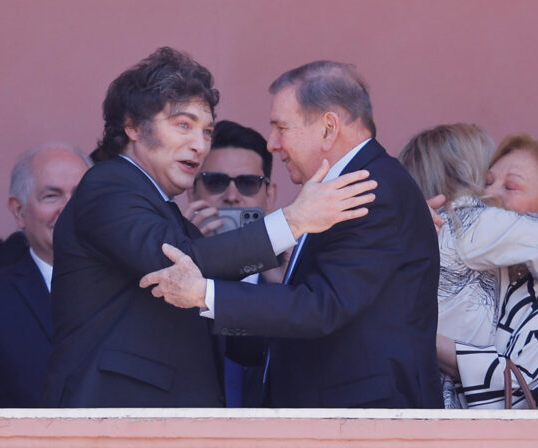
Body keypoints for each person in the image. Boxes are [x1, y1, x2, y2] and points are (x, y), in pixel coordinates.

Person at [43, 48, 375, 408]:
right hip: (115, 427)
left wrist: (310, 290)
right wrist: (294, 221)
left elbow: (238, 339)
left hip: (163, 432)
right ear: (134, 126)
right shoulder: (107, 185)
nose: (200, 145)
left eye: (207, 131)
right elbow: (176, 261)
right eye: (183, 125)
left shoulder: (173, 220)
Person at [141, 61, 443, 409]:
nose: (272, 144)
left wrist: (204, 293)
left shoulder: (369, 188)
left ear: (328, 128)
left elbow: (321, 306)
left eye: (281, 127)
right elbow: (302, 328)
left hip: (364, 426)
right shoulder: (342, 188)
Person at [398, 124, 538, 407]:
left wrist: (416, 334)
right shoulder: (497, 270)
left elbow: (517, 385)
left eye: (510, 187)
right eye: (486, 183)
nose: (489, 195)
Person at [0, 143, 90, 407]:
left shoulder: (136, 289)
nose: (70, 209)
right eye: (51, 196)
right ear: (19, 212)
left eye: (81, 195)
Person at [185, 119, 279, 407]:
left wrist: (283, 286)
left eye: (248, 183)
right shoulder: (168, 269)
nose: (232, 196)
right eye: (216, 182)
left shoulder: (292, 279)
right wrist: (190, 252)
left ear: (270, 195)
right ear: (192, 191)